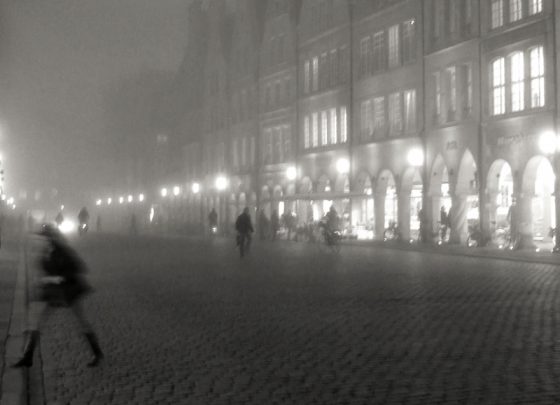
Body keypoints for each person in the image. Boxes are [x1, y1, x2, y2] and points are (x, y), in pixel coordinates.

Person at [12, 224, 103, 368]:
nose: (40, 240)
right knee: (38, 320)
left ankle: (97, 352)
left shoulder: (62, 251)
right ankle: (28, 356)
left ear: (50, 238)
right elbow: (46, 268)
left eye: (43, 238)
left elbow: (77, 267)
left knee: (81, 322)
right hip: (54, 291)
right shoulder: (47, 251)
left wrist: (55, 278)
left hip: (69, 290)